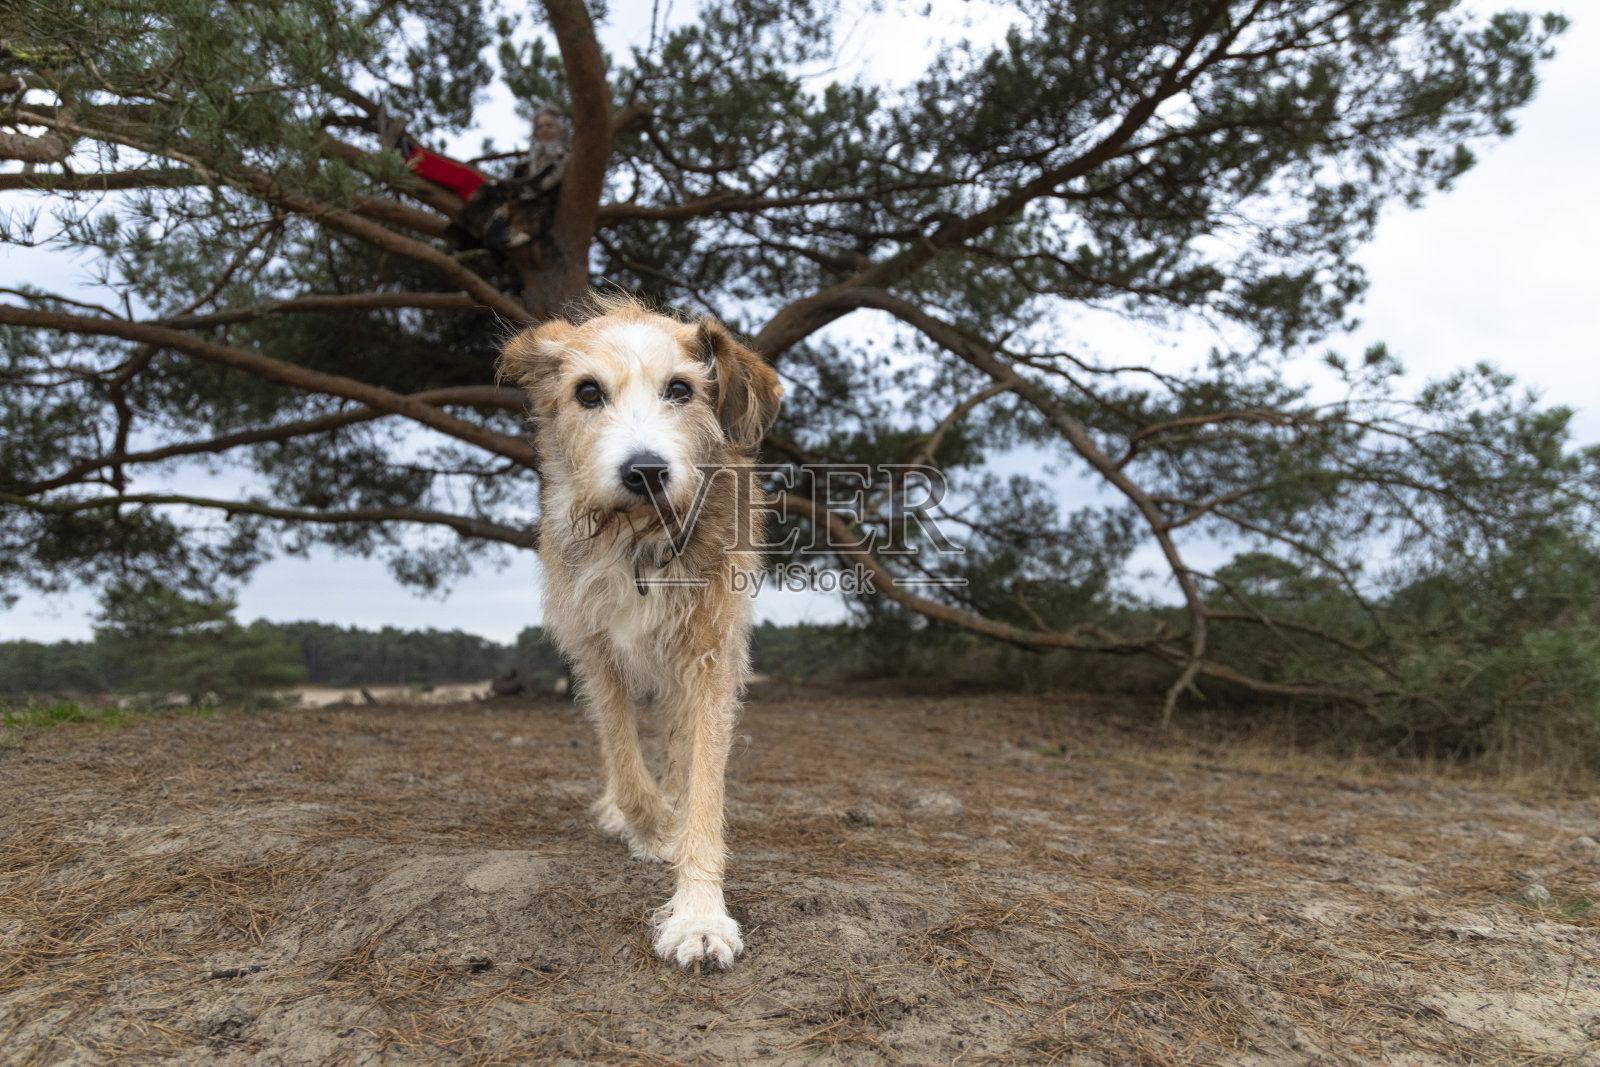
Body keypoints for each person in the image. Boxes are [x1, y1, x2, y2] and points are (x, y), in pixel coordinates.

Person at [376, 103, 571, 253]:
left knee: (468, 182)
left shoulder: (564, 157)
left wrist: (503, 188)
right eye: (539, 127)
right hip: (516, 209)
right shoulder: (535, 159)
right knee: (465, 179)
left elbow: (539, 187)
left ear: (560, 129)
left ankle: (408, 156)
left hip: (529, 223)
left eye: (549, 125)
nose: (544, 130)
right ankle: (409, 156)